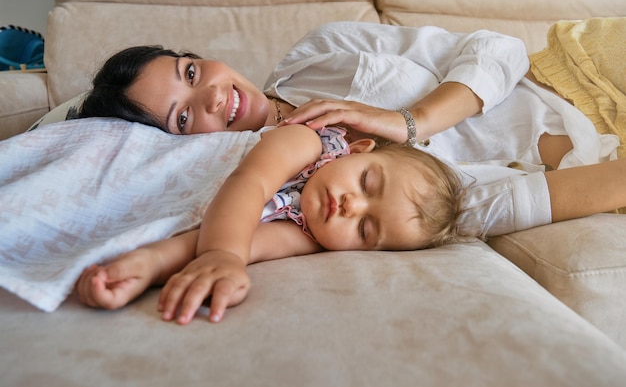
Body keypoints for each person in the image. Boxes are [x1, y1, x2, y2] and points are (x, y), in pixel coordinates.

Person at [78, 21, 620, 238]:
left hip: (578, 72)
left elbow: (495, 48)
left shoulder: (319, 54)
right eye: (183, 116)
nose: (213, 97)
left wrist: (409, 121)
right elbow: (485, 209)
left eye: (191, 73)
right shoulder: (306, 188)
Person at [75, 123, 467, 323]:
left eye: (365, 229)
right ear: (358, 150)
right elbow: (248, 185)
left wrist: (147, 266)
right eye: (366, 181)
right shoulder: (306, 143)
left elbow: (242, 243)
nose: (351, 205)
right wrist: (221, 254)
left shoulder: (310, 235)